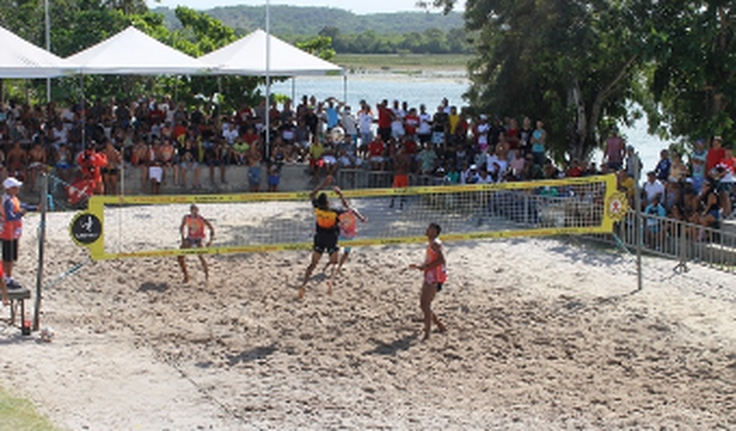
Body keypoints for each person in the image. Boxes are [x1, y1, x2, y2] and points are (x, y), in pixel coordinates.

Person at [299, 175, 346, 300]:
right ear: (327, 202)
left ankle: (303, 285)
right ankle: (330, 281)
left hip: (319, 237)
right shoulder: (334, 211)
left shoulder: (317, 208)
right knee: (335, 263)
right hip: (331, 238)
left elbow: (311, 195)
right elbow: (346, 208)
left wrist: (323, 184)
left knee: (313, 264)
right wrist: (340, 194)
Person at [409, 223, 447, 340]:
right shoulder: (433, 243)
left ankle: (427, 334)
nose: (427, 229)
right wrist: (421, 267)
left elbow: (441, 260)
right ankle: (440, 326)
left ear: (435, 232)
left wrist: (426, 267)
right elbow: (433, 261)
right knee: (425, 304)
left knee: (425, 305)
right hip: (433, 276)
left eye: (430, 228)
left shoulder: (435, 243)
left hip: (433, 277)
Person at [0, 177, 38, 282]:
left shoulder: (13, 199)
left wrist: (35, 208)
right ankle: (6, 277)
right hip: (8, 232)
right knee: (8, 257)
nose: (17, 189)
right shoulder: (7, 201)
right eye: (15, 187)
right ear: (9, 189)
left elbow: (22, 205)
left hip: (13, 232)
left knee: (11, 256)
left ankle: (7, 276)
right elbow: (10, 217)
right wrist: (21, 214)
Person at [177, 204, 214, 283]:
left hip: (200, 238)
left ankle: (207, 276)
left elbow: (212, 229)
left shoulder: (201, 219)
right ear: (191, 211)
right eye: (194, 211)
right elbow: (182, 227)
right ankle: (186, 276)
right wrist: (182, 238)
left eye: (196, 210)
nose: (195, 212)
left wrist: (210, 241)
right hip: (190, 238)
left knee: (200, 256)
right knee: (180, 256)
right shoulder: (187, 218)